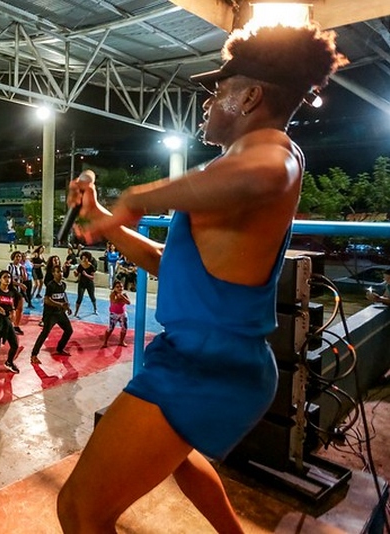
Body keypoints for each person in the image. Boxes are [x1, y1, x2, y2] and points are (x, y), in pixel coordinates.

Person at [56, 23, 347, 533]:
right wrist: (99, 214)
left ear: (250, 95)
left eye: (219, 92)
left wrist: (136, 200)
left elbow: (265, 174)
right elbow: (171, 266)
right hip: (203, 358)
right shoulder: (229, 166)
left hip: (208, 366)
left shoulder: (272, 154)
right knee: (177, 460)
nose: (210, 103)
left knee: (79, 510)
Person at [30, 265, 73, 364]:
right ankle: (34, 355)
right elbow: (47, 300)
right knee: (44, 334)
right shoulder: (50, 285)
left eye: (61, 271)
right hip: (51, 314)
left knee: (69, 330)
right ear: (53, 273)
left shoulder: (63, 285)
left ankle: (60, 348)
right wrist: (60, 304)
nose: (60, 273)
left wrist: (67, 307)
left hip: (60, 313)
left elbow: (63, 296)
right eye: (57, 272)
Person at [102, 280, 131, 348]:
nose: (120, 288)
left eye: (121, 287)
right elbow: (114, 301)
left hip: (123, 314)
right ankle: (105, 342)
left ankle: (121, 341)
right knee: (110, 328)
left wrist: (122, 297)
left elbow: (129, 302)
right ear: (114, 288)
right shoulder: (112, 294)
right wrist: (122, 300)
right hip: (114, 314)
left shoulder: (124, 294)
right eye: (117, 287)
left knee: (124, 328)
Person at [73, 252, 98, 316]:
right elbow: (77, 275)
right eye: (83, 258)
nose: (84, 260)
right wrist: (75, 273)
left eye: (85, 258)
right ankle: (76, 311)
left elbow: (92, 277)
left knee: (92, 296)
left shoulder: (91, 266)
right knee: (79, 297)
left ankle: (95, 309)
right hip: (82, 283)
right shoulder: (80, 266)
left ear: (88, 259)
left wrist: (86, 275)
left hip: (89, 283)